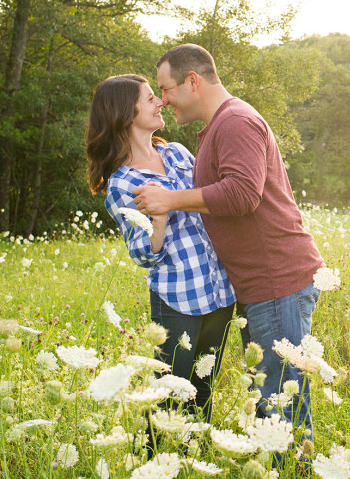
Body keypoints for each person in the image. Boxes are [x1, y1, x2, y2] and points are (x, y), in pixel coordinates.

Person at [131, 44, 325, 441]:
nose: (163, 101)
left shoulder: (235, 121)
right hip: (260, 286)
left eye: (165, 89)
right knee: (269, 401)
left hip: (277, 282)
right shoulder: (219, 126)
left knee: (280, 406)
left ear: (192, 81)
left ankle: (293, 470)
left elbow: (241, 194)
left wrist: (168, 199)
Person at [85, 74, 237, 422]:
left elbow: (212, 201)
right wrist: (162, 215)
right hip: (178, 296)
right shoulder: (123, 183)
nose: (161, 102)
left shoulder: (177, 152)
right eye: (150, 98)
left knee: (203, 388)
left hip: (219, 289)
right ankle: (158, 461)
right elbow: (143, 253)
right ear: (126, 112)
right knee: (168, 396)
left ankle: (193, 459)